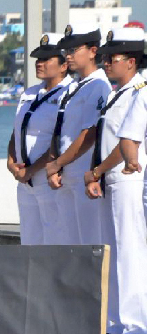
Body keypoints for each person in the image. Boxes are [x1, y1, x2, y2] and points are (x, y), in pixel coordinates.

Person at [84, 27, 147, 334]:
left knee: (129, 250)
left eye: (113, 58)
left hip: (127, 176)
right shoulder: (116, 92)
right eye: (105, 58)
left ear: (132, 62)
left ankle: (136, 323)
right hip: (111, 178)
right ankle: (118, 321)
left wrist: (96, 170)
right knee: (113, 248)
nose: (106, 63)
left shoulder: (139, 90)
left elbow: (125, 143)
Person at [44, 24, 110, 245]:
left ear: (93, 51)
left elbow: (90, 133)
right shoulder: (74, 87)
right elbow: (60, 128)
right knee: (69, 242)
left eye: (74, 50)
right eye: (66, 51)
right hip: (65, 174)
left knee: (89, 241)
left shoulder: (99, 86)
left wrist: (57, 163)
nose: (68, 56)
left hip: (84, 173)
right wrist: (55, 164)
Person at [6, 33, 73, 245]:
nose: (40, 63)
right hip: (25, 182)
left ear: (64, 65)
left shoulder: (69, 93)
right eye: (38, 59)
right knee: (29, 241)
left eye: (46, 59)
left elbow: (59, 140)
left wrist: (32, 170)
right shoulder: (30, 93)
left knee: (54, 241)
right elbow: (18, 131)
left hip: (49, 180)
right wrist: (10, 162)